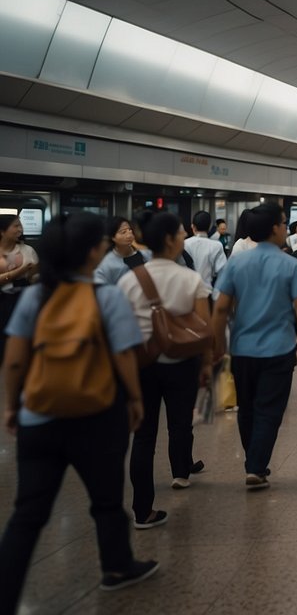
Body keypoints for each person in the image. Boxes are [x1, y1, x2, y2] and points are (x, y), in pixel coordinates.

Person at [0, 213, 158, 604]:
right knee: (106, 500)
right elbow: (124, 357)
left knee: (27, 512)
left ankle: (5, 594)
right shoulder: (107, 296)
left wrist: (9, 406)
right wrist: (135, 400)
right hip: (98, 415)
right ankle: (117, 566)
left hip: (39, 416)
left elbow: (15, 359)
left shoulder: (35, 296)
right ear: (91, 252)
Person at [210, 203, 297, 491]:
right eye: (283, 223)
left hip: (243, 349)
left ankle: (253, 463)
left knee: (247, 408)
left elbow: (220, 309)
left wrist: (218, 345)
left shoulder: (237, 262)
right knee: (269, 409)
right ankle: (255, 466)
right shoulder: (290, 264)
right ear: (274, 229)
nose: (286, 228)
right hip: (278, 349)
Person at [116, 213, 212, 528]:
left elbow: (121, 332)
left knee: (143, 438)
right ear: (170, 240)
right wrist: (208, 365)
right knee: (180, 424)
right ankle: (181, 474)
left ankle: (142, 511)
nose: (184, 238)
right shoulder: (190, 279)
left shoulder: (129, 279)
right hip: (182, 364)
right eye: (181, 233)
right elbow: (204, 330)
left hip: (141, 364)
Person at [0, 215, 39, 365]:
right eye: (15, 226)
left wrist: (34, 276)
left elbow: (34, 277)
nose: (20, 229)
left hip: (22, 295)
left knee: (23, 334)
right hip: (2, 299)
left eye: (20, 225)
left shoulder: (28, 250)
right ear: (2, 231)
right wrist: (19, 271)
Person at [94, 216, 152, 285]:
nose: (129, 235)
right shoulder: (106, 264)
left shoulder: (146, 254)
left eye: (130, 230)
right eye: (123, 232)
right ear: (113, 237)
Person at [184, 211, 227, 295]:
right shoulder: (216, 246)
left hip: (186, 294)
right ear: (209, 227)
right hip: (207, 293)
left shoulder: (184, 244)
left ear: (193, 227)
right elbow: (223, 273)